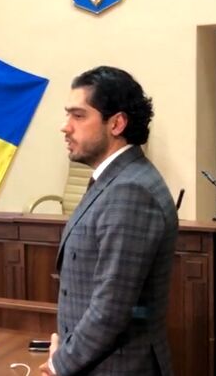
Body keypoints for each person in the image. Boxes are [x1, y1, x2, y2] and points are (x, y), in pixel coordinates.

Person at [40, 66, 178, 375]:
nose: (65, 127)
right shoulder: (115, 179)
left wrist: (60, 365)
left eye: (78, 116)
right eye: (67, 115)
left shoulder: (130, 190)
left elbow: (111, 307)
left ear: (116, 123)